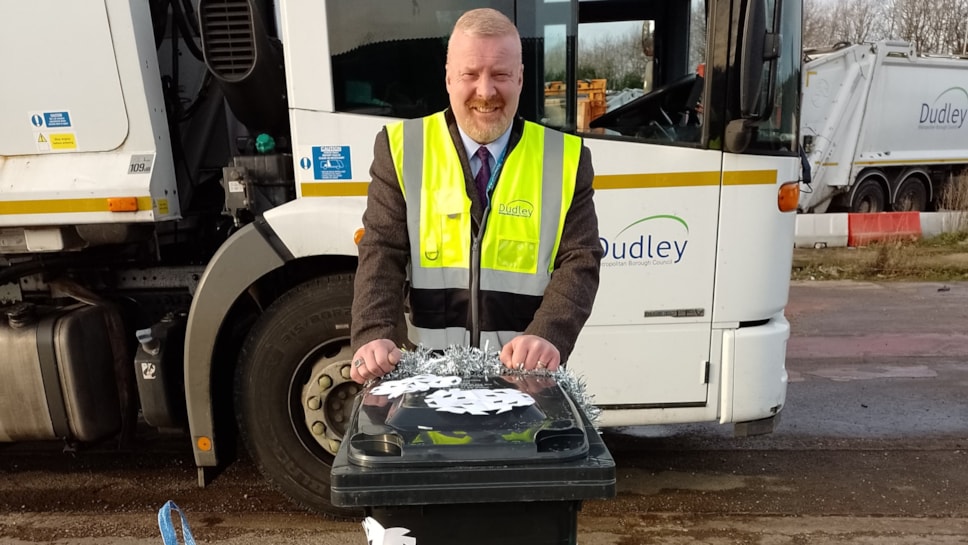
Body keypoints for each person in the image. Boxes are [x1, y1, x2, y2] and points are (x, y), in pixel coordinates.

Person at [349, 8, 602, 384]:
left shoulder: (566, 158)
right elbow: (381, 250)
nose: (485, 92)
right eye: (470, 74)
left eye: (500, 74)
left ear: (519, 78)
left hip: (524, 381)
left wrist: (549, 334)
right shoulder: (400, 149)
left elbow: (580, 259)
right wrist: (374, 334)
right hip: (428, 380)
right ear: (449, 78)